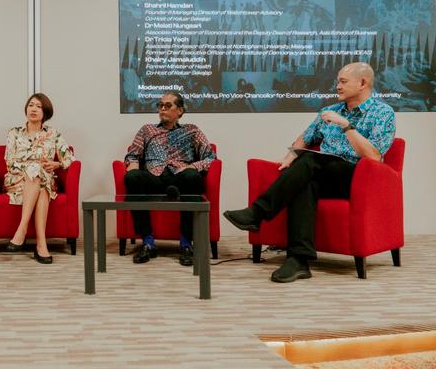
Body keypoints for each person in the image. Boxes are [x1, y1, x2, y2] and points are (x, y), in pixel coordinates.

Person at [224, 62, 396, 283]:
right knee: (304, 181)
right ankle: (298, 261)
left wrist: (346, 126)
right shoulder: (329, 111)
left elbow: (373, 156)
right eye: (338, 81)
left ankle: (258, 213)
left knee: (310, 160)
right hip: (323, 172)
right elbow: (305, 137)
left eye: (343, 82)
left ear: (362, 83)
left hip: (356, 177)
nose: (338, 86)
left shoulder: (383, 113)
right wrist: (290, 157)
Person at [124, 92, 216, 266]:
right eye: (160, 105)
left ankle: (186, 244)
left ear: (180, 110)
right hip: (154, 177)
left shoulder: (192, 130)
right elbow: (132, 155)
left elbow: (210, 157)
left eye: (167, 106)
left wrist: (192, 166)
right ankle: (148, 243)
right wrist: (133, 165)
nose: (162, 109)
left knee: (192, 177)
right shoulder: (147, 130)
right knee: (132, 178)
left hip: (180, 177)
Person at [2, 93, 75, 264]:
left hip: (43, 180)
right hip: (17, 180)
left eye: (38, 106)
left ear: (45, 112)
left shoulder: (53, 134)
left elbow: (70, 158)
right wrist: (29, 168)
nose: (33, 109)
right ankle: (40, 245)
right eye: (31, 105)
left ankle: (24, 233)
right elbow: (9, 162)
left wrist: (57, 164)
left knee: (41, 183)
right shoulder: (14, 133)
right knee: (36, 173)